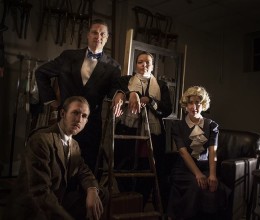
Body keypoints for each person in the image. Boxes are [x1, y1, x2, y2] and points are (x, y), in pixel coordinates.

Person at [35, 19, 121, 172]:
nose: (98, 36)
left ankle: (87, 194)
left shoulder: (113, 67)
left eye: (102, 34)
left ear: (107, 38)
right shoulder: (68, 56)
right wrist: (51, 101)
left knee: (87, 164)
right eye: (94, 32)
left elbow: (114, 90)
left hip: (92, 123)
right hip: (65, 120)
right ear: (88, 35)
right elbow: (41, 72)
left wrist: (121, 94)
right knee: (58, 162)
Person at [4, 96, 107, 220]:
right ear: (63, 113)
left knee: (101, 194)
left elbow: (84, 171)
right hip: (33, 209)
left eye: (84, 116)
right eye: (75, 113)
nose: (79, 119)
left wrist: (92, 190)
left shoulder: (74, 145)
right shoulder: (41, 140)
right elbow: (40, 192)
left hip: (56, 199)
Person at [113, 51, 172, 209]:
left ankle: (140, 204)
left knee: (148, 169)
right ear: (135, 64)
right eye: (140, 62)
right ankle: (126, 203)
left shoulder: (161, 85)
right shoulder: (125, 80)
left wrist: (150, 101)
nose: (143, 65)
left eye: (147, 62)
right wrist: (131, 93)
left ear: (153, 66)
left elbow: (166, 110)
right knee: (123, 165)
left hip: (153, 135)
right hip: (128, 132)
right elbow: (116, 92)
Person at [167, 86, 229, 220]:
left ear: (203, 104)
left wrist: (212, 175)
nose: (193, 106)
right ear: (185, 104)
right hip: (183, 169)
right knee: (195, 186)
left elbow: (213, 152)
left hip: (206, 168)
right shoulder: (177, 126)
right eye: (190, 102)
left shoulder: (212, 125)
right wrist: (198, 174)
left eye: (197, 103)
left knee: (216, 188)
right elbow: (183, 153)